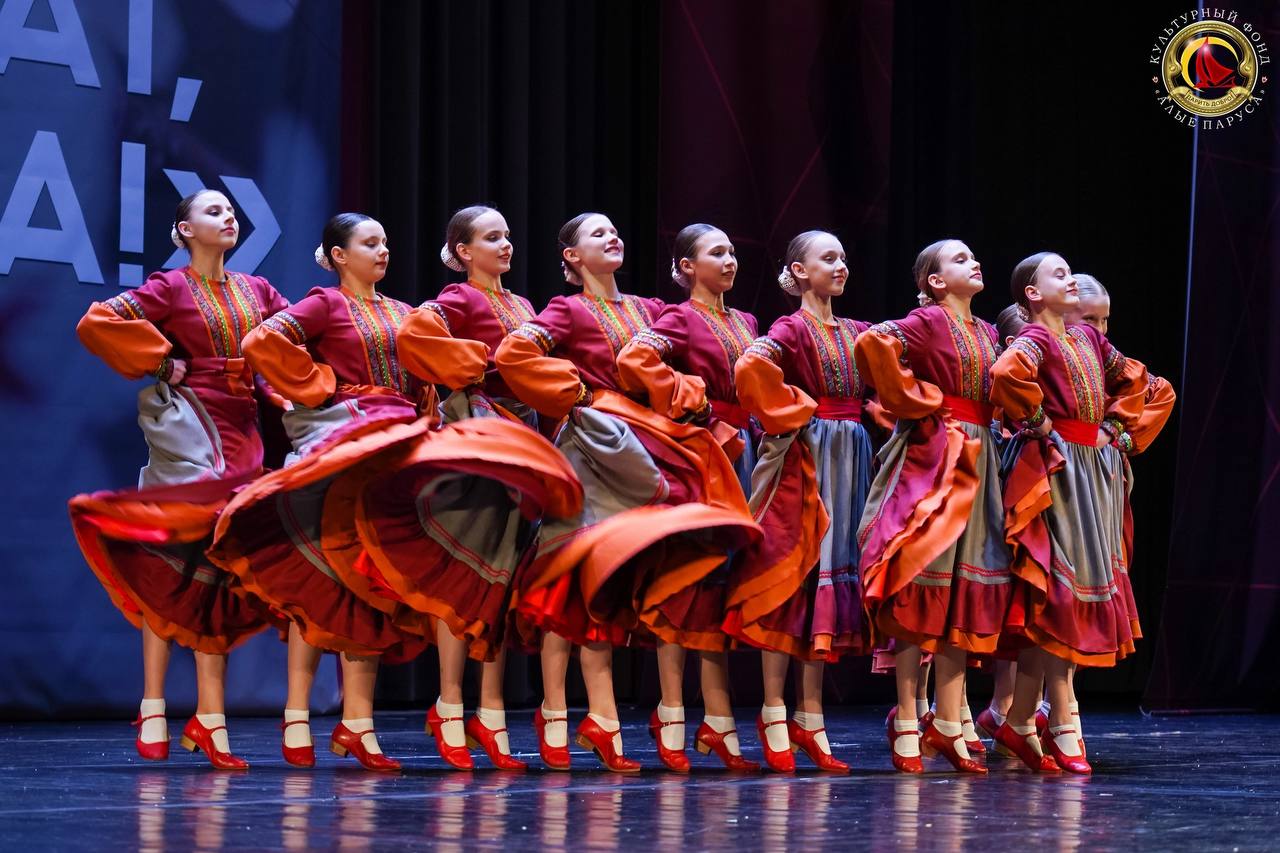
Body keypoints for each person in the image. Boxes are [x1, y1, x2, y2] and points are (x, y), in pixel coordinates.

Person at [495, 212, 758, 772]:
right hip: (591, 445)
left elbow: (677, 363)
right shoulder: (566, 309)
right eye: (597, 234)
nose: (613, 237)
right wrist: (576, 394)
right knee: (575, 577)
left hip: (645, 448)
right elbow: (514, 354)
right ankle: (562, 712)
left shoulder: (650, 310)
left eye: (616, 231)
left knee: (632, 579)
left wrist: (684, 396)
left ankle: (637, 716)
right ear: (571, 256)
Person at [70, 189, 289, 770]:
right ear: (184, 229)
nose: (228, 216)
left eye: (231, 210)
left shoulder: (259, 291)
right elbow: (99, 321)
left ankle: (211, 717)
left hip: (243, 428)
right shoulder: (168, 287)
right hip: (190, 424)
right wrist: (162, 363)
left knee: (218, 571)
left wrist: (288, 390)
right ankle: (152, 704)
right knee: (168, 567)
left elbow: (291, 340)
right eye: (213, 211)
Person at [988, 252, 1148, 774]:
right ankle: (1061, 722)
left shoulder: (1089, 339)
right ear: (1032, 294)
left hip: (1091, 470)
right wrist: (1038, 421)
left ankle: (1020, 720)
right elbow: (1006, 372)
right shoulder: (1036, 339)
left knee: (1069, 598)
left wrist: (1116, 429)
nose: (1070, 278)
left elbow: (1139, 379)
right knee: (1056, 594)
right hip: (1053, 469)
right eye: (1058, 274)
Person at [855, 238, 1010, 775]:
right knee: (920, 584)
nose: (975, 261)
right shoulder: (925, 322)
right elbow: (874, 344)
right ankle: (906, 716)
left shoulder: (987, 331)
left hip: (982, 457)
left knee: (962, 592)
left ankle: (947, 720)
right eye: (961, 259)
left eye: (974, 255)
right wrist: (919, 402)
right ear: (936, 281)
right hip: (937, 454)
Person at [615, 223, 761, 772]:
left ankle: (718, 720)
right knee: (685, 582)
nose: (729, 260)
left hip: (744, 452)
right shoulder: (677, 318)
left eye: (732, 251)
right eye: (716, 253)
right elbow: (634, 359)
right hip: (700, 453)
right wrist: (687, 398)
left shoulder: (746, 322)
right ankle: (671, 711)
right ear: (685, 267)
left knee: (723, 586)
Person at [728, 229, 873, 773]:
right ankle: (773, 711)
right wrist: (793, 413)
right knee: (795, 575)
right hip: (808, 457)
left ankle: (809, 717)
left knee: (827, 588)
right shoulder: (790, 329)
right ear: (798, 270)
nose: (840, 266)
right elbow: (750, 367)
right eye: (828, 258)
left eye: (843, 257)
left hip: (851, 456)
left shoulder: (858, 332)